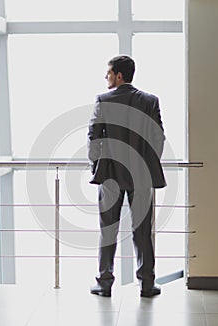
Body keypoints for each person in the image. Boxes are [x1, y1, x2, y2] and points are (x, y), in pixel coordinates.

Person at [87, 55, 166, 298]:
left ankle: (105, 283)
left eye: (108, 73)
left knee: (108, 228)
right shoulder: (150, 101)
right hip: (141, 174)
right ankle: (146, 284)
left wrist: (96, 165)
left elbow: (93, 139)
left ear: (119, 75)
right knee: (142, 230)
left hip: (110, 173)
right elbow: (158, 138)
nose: (106, 77)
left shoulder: (103, 100)